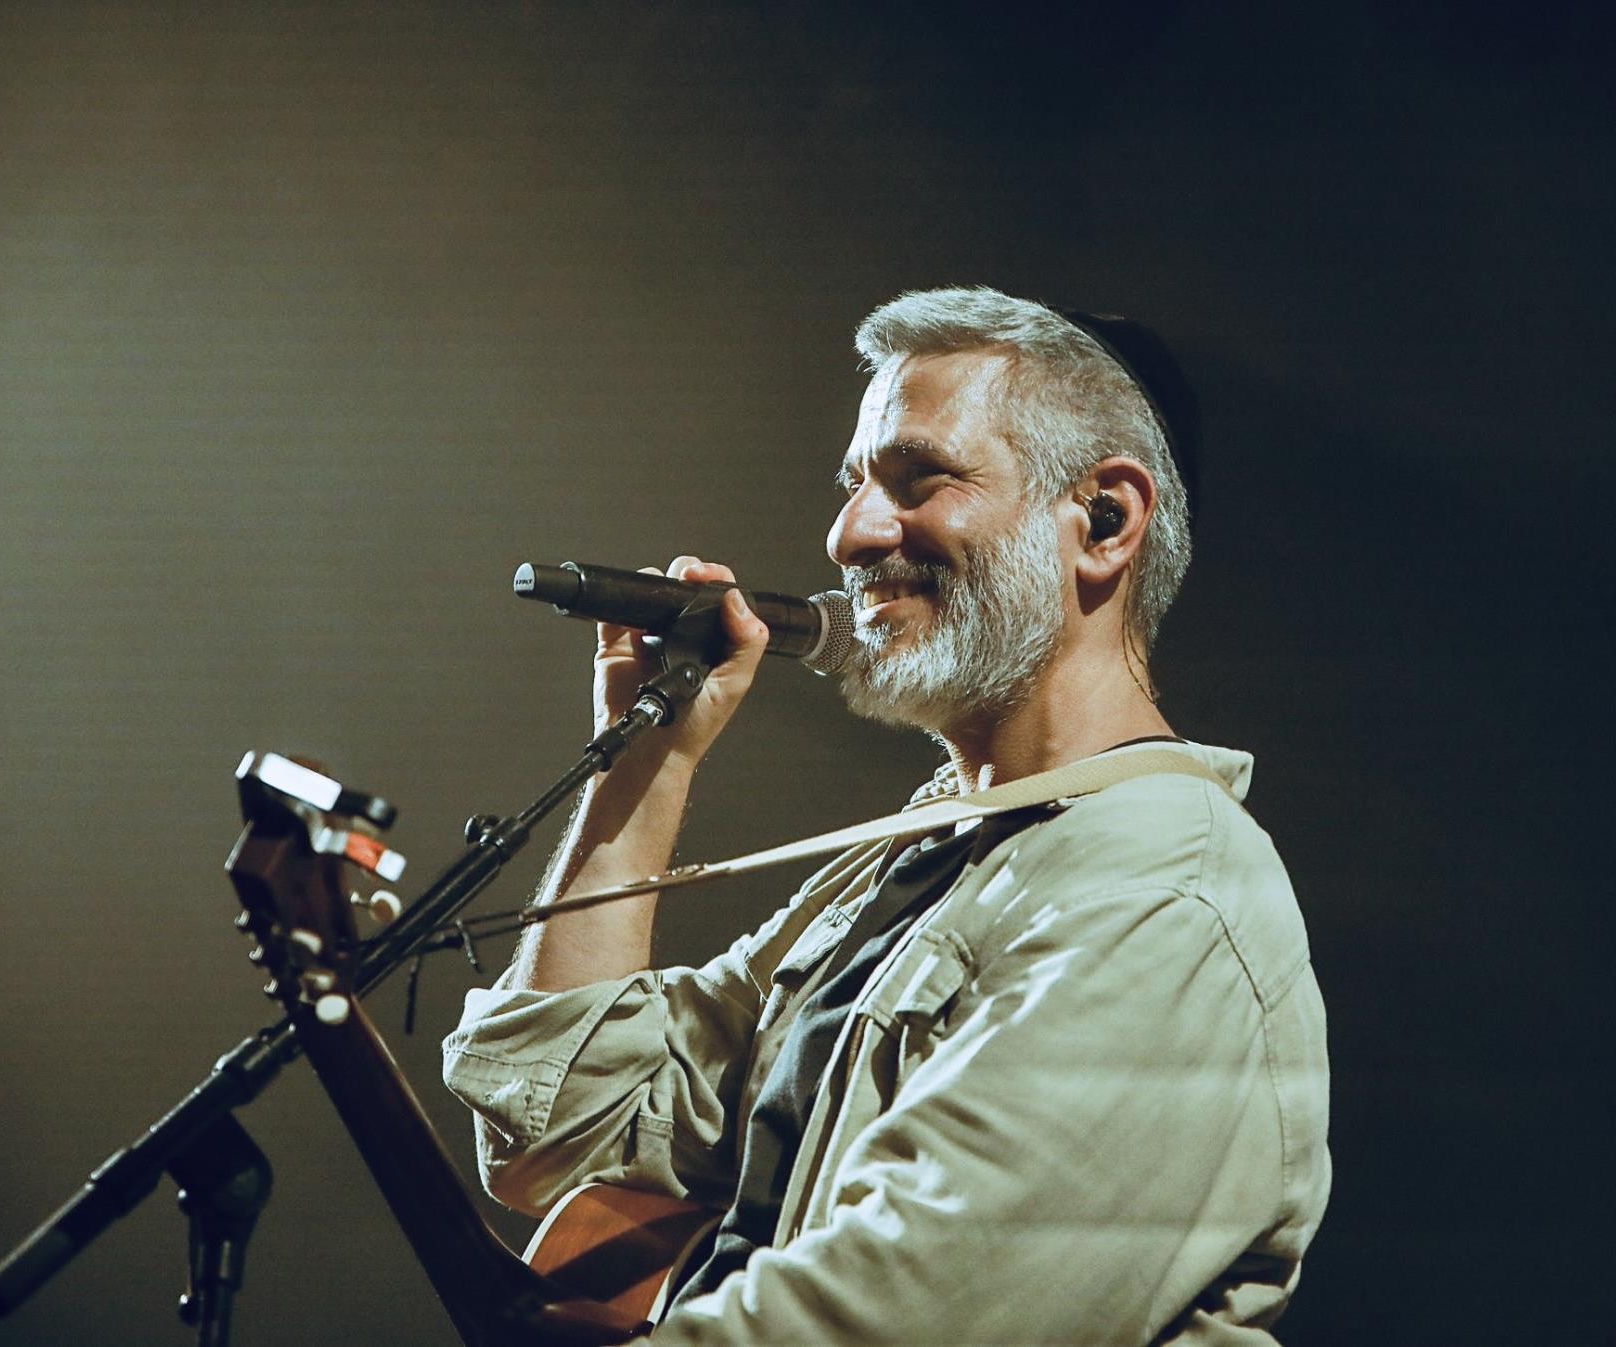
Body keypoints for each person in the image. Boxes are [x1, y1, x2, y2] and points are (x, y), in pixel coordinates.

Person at [443, 287, 1330, 1344]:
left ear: (1103, 519)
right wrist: (647, 758)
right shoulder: (932, 856)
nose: (850, 534)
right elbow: (562, 1129)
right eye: (856, 485)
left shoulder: (1165, 892)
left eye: (919, 479)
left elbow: (891, 1318)